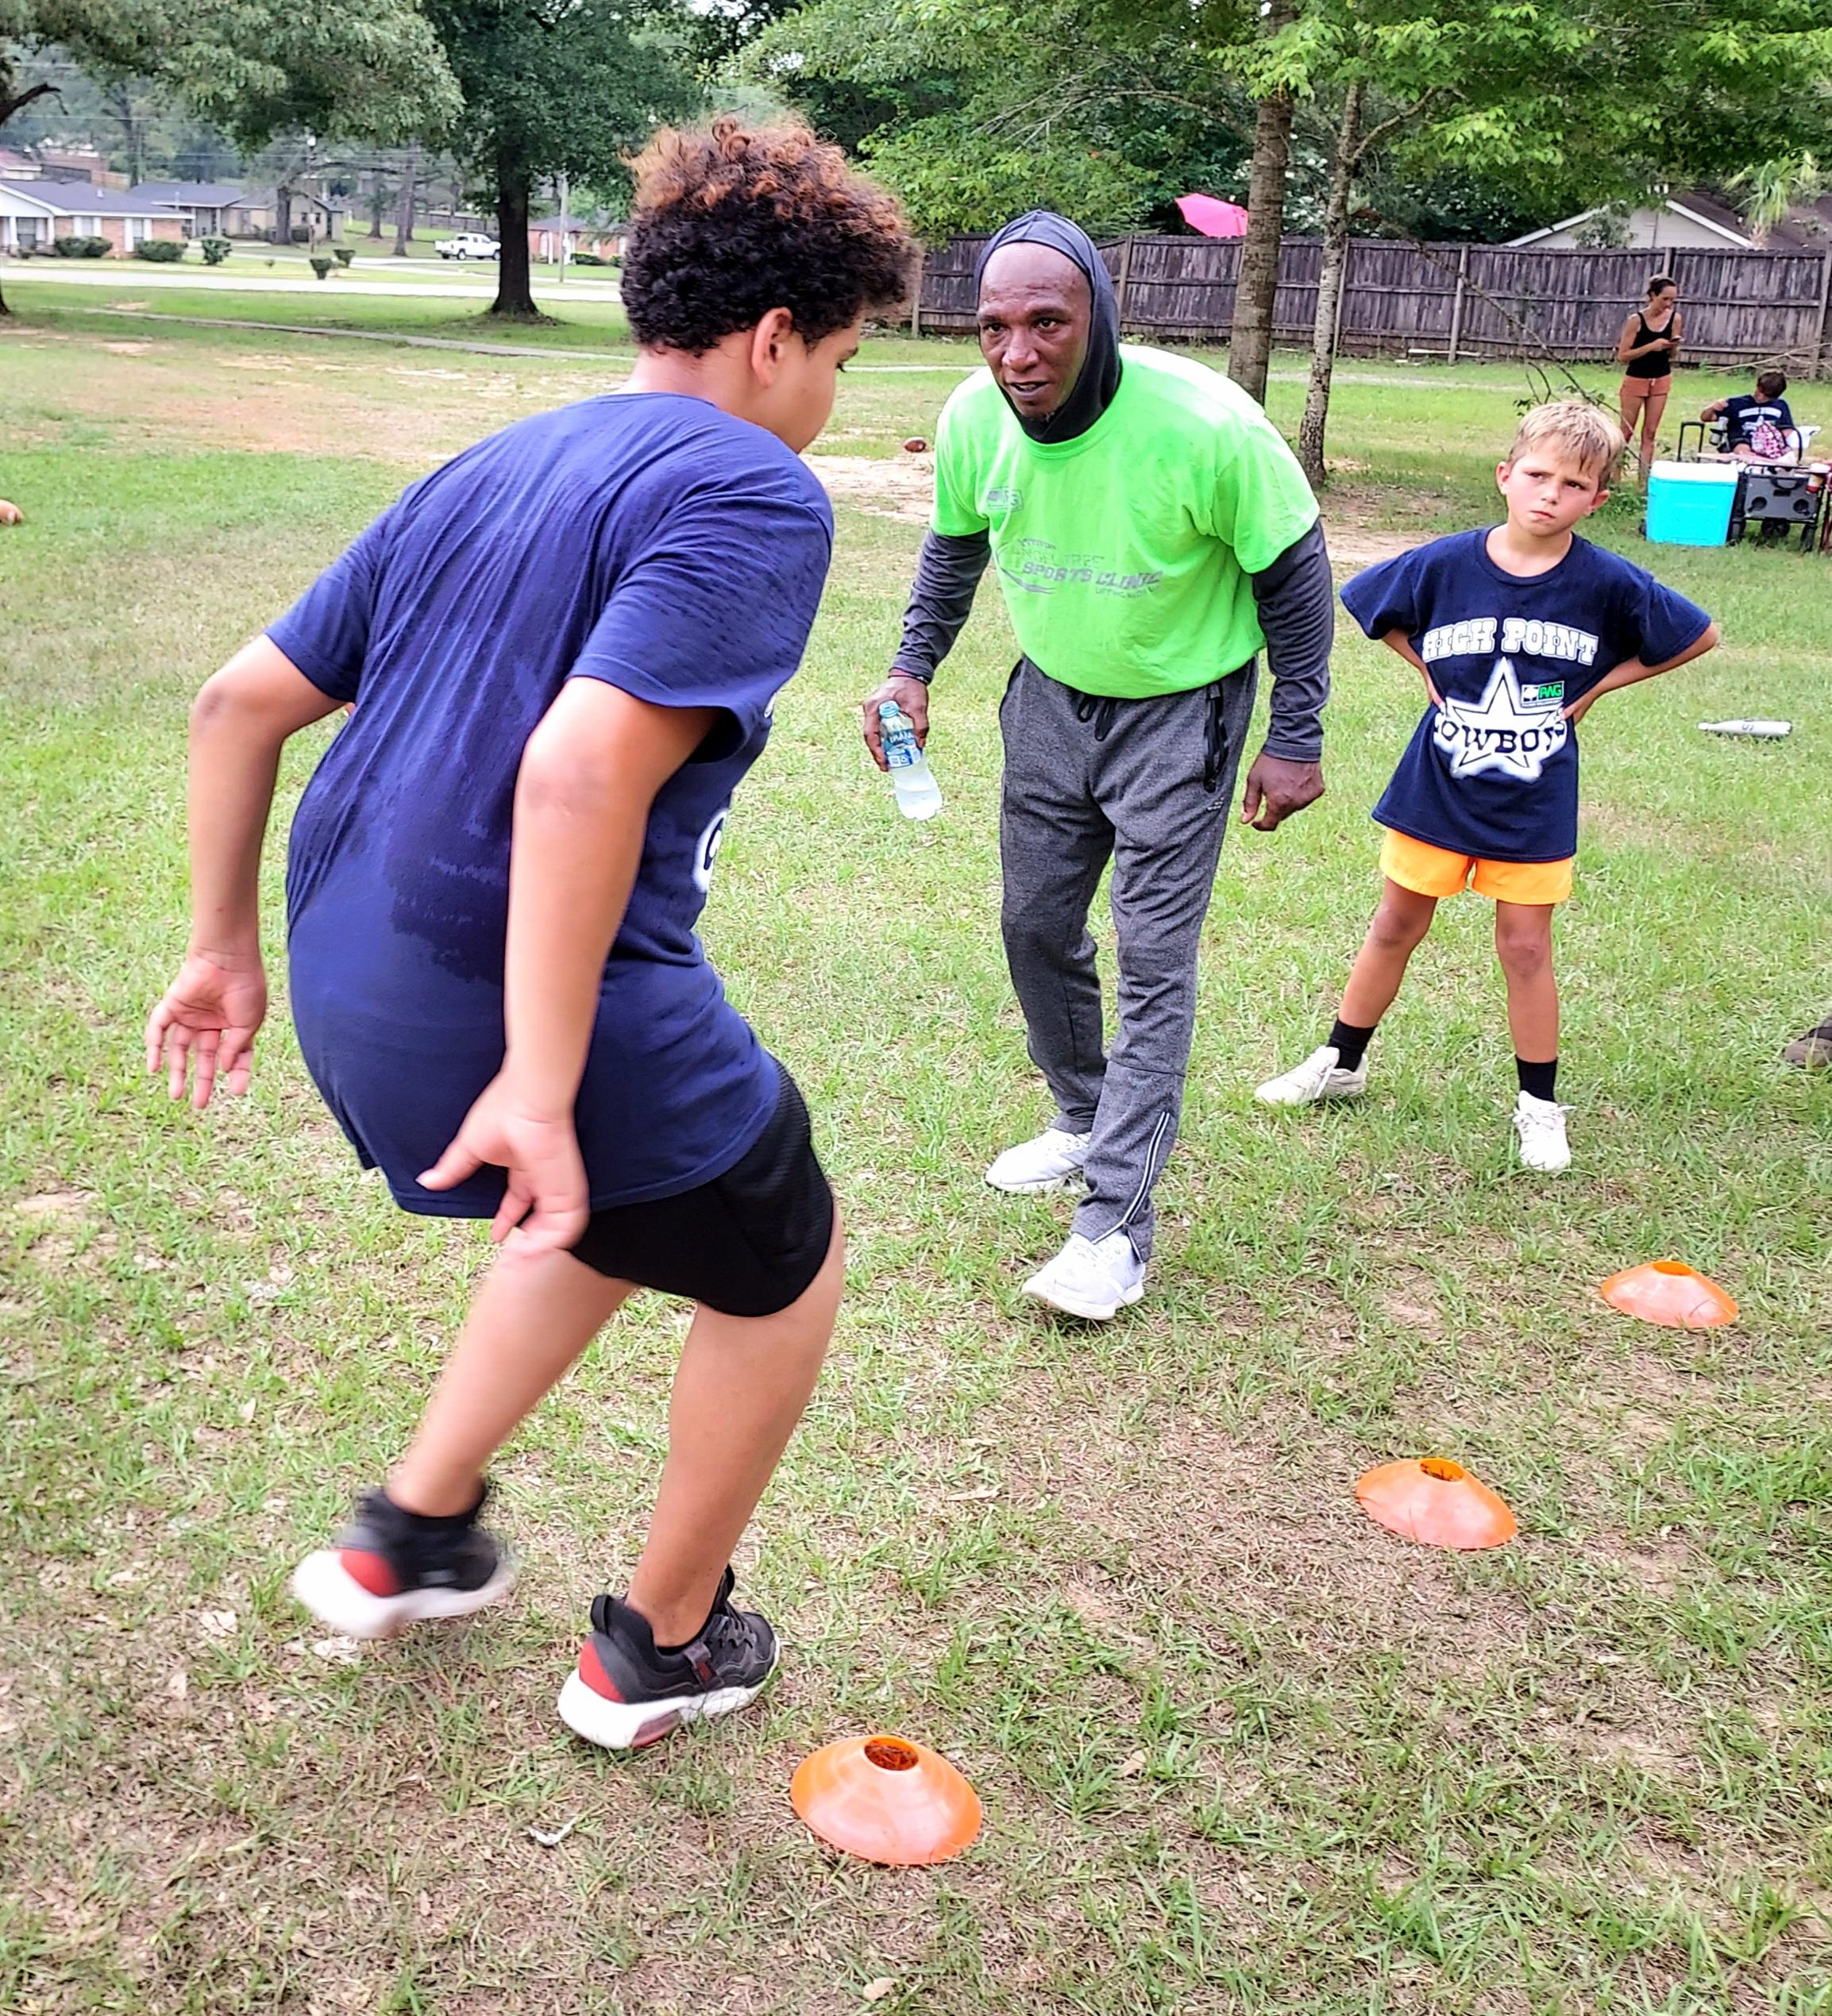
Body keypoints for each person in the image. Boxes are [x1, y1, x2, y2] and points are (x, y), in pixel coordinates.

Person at [144, 118, 916, 1751]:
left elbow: (236, 703)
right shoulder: (752, 486)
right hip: (505, 1015)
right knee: (780, 1256)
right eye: (838, 361)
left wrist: (219, 950)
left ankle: (411, 1532)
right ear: (775, 340)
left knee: (637, 1211)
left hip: (357, 994)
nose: (828, 398)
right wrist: (543, 1080)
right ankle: (664, 1645)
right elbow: (576, 773)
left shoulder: (495, 461)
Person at [862, 211, 1333, 1321]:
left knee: (1152, 959)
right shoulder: (974, 418)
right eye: (991, 326)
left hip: (1185, 715)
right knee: (1032, 924)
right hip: (1047, 705)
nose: (1016, 352)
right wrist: (909, 666)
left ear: (1098, 317)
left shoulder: (1205, 425)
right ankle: (1080, 1114)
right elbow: (952, 548)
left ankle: (1113, 1226)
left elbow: (1297, 577)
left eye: (1045, 323)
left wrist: (1296, 734)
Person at [1256, 401, 1718, 1172]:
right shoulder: (1447, 563)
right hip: (1437, 787)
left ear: (1596, 500)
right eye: (1536, 475)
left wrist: (1600, 686)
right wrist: (1427, 670)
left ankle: (1539, 1104)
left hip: (1533, 799)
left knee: (1526, 946)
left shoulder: (1605, 581)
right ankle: (1341, 1061)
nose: (1550, 494)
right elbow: (1369, 601)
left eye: (1573, 484)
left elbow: (1696, 633)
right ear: (1506, 476)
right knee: (1395, 924)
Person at [1616, 275, 1682, 472]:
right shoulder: (1636, 320)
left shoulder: (1675, 318)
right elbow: (1623, 355)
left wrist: (1673, 346)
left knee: (1650, 433)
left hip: (1661, 377)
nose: (1668, 304)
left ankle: (1644, 480)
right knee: (1626, 431)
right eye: (1665, 299)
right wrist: (1651, 346)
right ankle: (1615, 476)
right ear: (1652, 296)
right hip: (1636, 378)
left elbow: (1672, 355)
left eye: (1673, 300)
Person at [1701, 368, 1798, 461]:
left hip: (1770, 442)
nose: (1762, 397)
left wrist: (1785, 446)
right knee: (1742, 446)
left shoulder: (1781, 405)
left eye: (1768, 396)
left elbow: (1787, 430)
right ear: (1757, 386)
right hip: (1743, 439)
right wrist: (1713, 407)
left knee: (1786, 453)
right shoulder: (1736, 403)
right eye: (1761, 392)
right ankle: (1751, 463)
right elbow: (1705, 418)